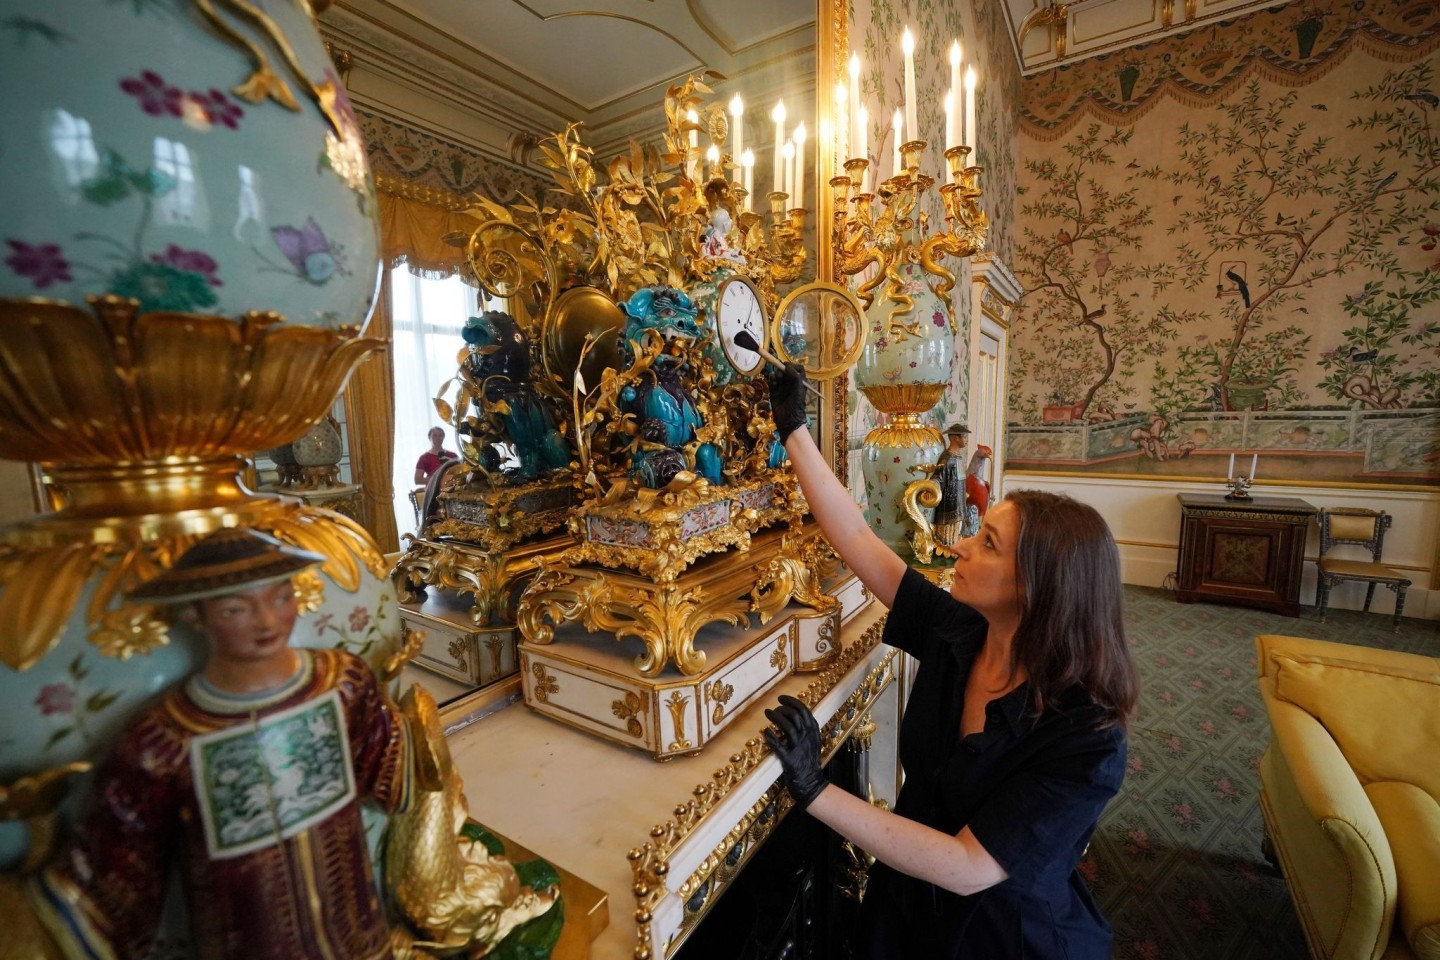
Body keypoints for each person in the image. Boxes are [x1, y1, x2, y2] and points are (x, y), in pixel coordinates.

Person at [762, 364, 1140, 959]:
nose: (960, 544)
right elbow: (859, 541)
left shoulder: (1088, 738)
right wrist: (793, 429)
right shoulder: (964, 630)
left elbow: (968, 866)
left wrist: (815, 791)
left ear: (1035, 588)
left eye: (986, 542)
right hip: (909, 899)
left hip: (995, 934)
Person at [27, 528, 412, 960]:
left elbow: (387, 766)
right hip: (243, 932)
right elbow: (118, 859)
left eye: (280, 598)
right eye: (235, 609)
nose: (267, 621)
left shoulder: (342, 684)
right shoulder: (168, 738)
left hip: (354, 917)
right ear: (195, 615)